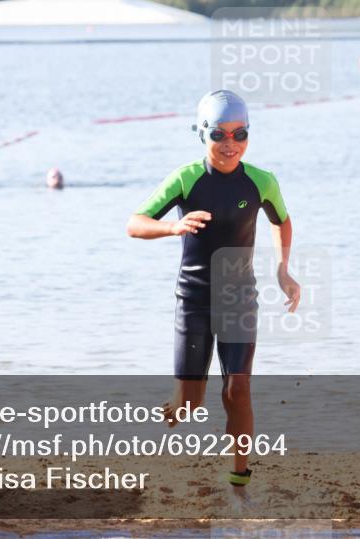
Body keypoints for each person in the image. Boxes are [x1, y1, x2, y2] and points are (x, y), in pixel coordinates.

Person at [126, 89, 300, 500]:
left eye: (240, 134)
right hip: (194, 300)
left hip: (240, 300)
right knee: (189, 407)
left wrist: (282, 268)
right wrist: (173, 227)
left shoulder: (262, 181)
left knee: (237, 390)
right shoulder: (187, 179)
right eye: (219, 134)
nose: (230, 144)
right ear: (201, 134)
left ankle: (239, 483)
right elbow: (135, 223)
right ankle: (175, 403)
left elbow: (282, 220)